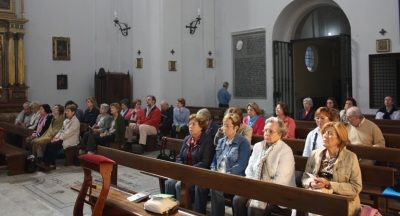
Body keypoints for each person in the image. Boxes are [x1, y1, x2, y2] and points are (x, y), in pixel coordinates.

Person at [233, 117, 296, 216]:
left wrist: (260, 189)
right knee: (238, 200)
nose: (266, 133)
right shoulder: (258, 146)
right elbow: (249, 170)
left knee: (254, 208)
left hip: (277, 192)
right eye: (265, 130)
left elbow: (281, 181)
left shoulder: (285, 151)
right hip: (255, 186)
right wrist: (253, 186)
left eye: (271, 131)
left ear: (280, 134)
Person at [302, 122, 362, 216]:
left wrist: (329, 184)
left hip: (340, 201)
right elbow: (305, 176)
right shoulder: (315, 154)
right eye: (324, 132)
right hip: (318, 196)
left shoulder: (350, 157)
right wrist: (311, 182)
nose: (325, 136)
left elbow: (355, 187)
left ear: (339, 139)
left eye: (330, 133)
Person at [165, 114, 215, 214]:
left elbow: (205, 162)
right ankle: (169, 208)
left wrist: (188, 170)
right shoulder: (187, 138)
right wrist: (181, 166)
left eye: (193, 124)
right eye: (189, 124)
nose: (190, 126)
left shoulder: (207, 141)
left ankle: (184, 211)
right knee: (169, 182)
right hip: (184, 171)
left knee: (180, 185)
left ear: (201, 126)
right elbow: (179, 156)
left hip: (198, 173)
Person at [210, 113, 251, 216]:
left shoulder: (243, 142)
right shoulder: (221, 141)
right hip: (219, 175)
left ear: (236, 128)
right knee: (204, 183)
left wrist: (226, 174)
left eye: (227, 125)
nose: (224, 128)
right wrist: (213, 170)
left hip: (235, 177)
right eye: (223, 125)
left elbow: (241, 165)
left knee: (215, 187)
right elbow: (214, 161)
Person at [40, 104, 80, 170]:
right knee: (49, 144)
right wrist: (55, 137)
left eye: (68, 111)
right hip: (63, 138)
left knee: (53, 145)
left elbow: (68, 133)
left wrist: (58, 139)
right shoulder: (66, 120)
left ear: (73, 112)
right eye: (66, 111)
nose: (66, 112)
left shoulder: (75, 122)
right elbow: (61, 131)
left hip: (70, 140)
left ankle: (50, 164)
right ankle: (45, 162)